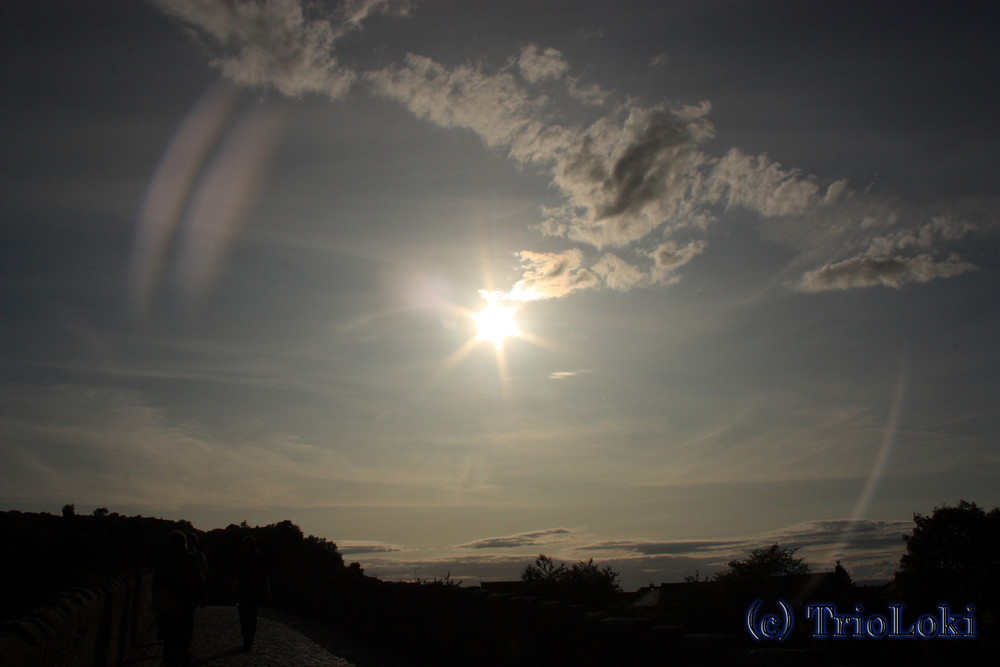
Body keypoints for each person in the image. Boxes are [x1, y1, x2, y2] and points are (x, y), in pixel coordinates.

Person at [153, 531, 204, 667]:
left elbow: (157, 582)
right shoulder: (192, 559)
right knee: (184, 639)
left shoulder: (164, 560)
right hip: (186, 603)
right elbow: (199, 581)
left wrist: (156, 604)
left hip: (169, 604)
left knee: (169, 639)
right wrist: (199, 598)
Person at [234, 535, 269, 651]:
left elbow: (236, 573)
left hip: (244, 590)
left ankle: (246, 639)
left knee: (244, 616)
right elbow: (265, 576)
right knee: (253, 615)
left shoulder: (242, 558)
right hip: (255, 591)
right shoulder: (261, 558)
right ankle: (250, 639)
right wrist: (266, 589)